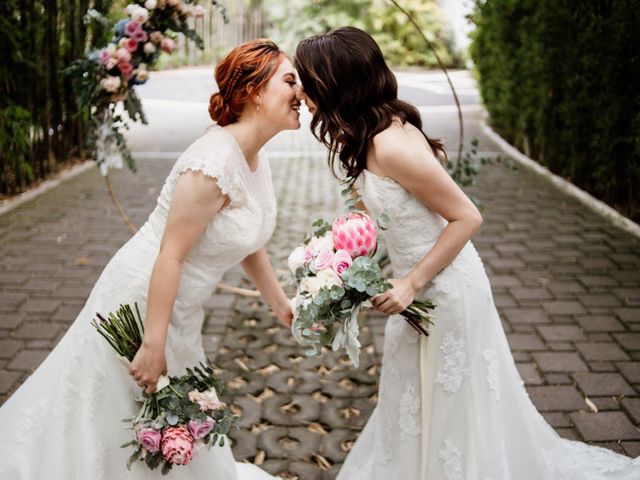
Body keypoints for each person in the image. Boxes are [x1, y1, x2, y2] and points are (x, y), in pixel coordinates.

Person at [294, 26, 640, 479]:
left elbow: (467, 217)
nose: (300, 88)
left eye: (306, 77)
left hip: (443, 290)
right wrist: (340, 268)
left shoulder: (390, 144)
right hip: (412, 292)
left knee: (453, 405)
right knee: (415, 400)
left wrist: (411, 282)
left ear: (336, 81)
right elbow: (388, 223)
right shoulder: (364, 136)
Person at [0, 38, 300, 479]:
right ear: (254, 91)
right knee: (108, 415)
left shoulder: (253, 155)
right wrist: (153, 344)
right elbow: (171, 256)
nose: (302, 94)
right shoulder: (212, 164)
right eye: (290, 81)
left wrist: (279, 303)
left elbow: (248, 237)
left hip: (182, 308)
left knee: (170, 421)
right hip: (143, 301)